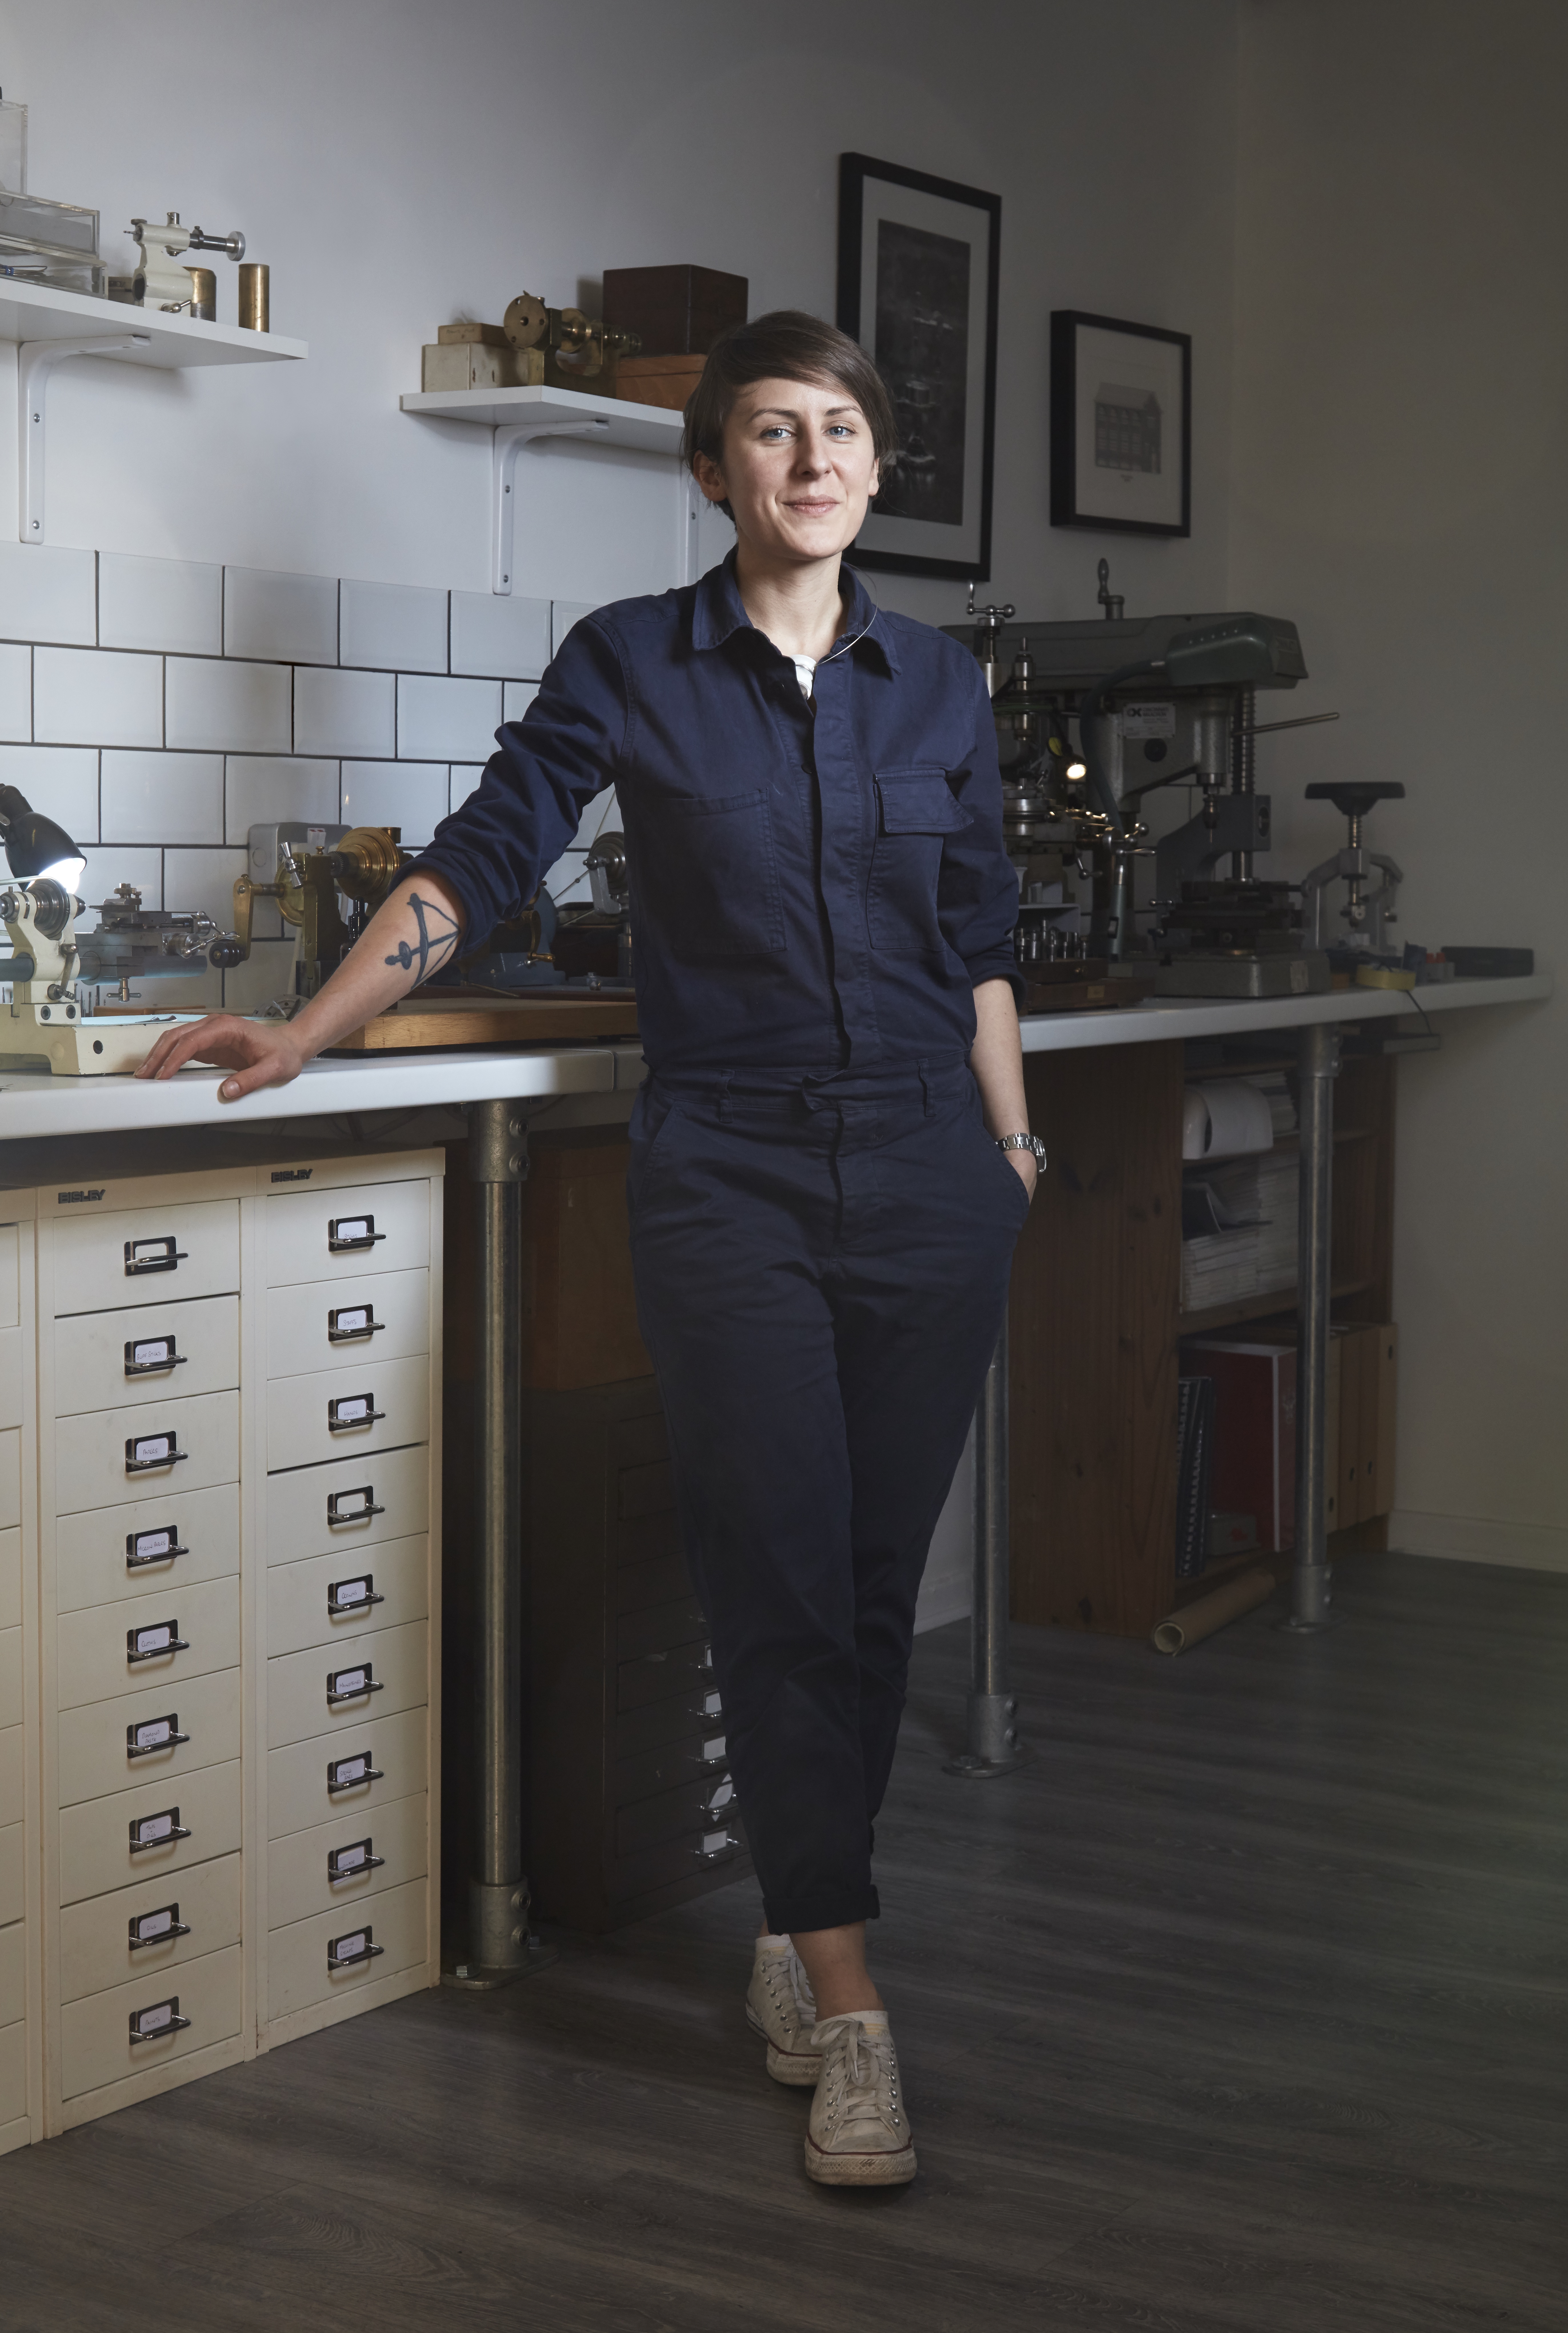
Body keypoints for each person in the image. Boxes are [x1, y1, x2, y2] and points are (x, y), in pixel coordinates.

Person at [137, 309, 1046, 2190]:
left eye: (841, 431)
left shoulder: (942, 687)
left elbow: (977, 935)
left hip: (930, 1174)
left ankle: (800, 1940)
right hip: (728, 1176)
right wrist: (308, 1029)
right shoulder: (631, 662)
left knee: (873, 1588)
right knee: (780, 1572)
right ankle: (852, 2005)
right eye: (772, 433)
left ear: (877, 468)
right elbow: (488, 855)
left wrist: (1013, 1141)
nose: (812, 460)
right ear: (712, 471)